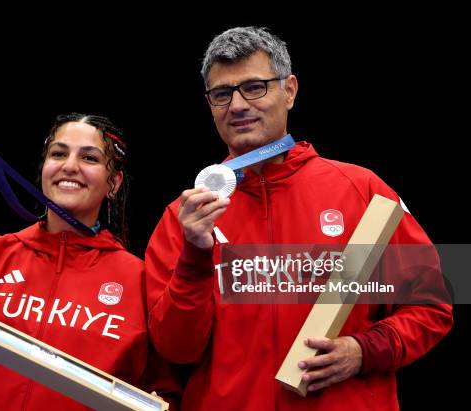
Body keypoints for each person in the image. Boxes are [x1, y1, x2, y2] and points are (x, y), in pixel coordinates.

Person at [145, 27, 453, 410]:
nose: (238, 105)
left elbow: (433, 303)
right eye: (222, 94)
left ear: (289, 90)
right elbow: (175, 350)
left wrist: (364, 349)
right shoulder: (184, 216)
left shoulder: (362, 190)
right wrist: (194, 256)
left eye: (255, 86)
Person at [0, 113, 179, 410]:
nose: (69, 166)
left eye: (89, 158)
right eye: (58, 153)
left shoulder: (140, 280)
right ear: (44, 168)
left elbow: (163, 388)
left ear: (113, 183)